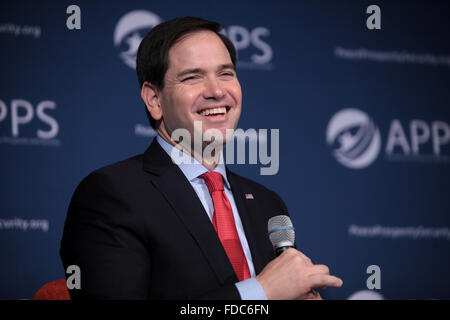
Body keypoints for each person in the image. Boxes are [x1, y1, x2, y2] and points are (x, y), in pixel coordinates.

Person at [60, 16, 343, 300]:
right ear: (154, 100)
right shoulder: (111, 195)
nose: (217, 91)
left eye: (226, 73)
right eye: (192, 77)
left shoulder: (268, 203)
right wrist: (262, 291)